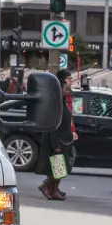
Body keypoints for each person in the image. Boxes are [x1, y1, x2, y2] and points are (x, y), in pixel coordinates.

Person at [35, 69, 76, 201]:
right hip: (56, 140)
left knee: (60, 169)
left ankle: (53, 191)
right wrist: (56, 144)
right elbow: (53, 125)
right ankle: (47, 187)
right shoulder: (55, 102)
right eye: (69, 79)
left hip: (63, 139)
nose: (71, 83)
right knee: (57, 167)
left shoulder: (62, 102)